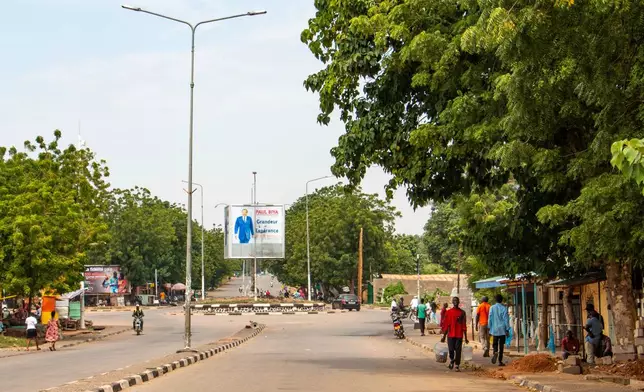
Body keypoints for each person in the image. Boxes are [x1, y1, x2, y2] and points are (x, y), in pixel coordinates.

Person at [441, 297, 468, 372]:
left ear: (459, 302)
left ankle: (457, 365)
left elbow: (464, 325)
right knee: (451, 349)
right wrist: (444, 336)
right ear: (452, 302)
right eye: (454, 300)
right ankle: (452, 360)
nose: (455, 302)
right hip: (450, 335)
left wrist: (465, 337)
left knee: (458, 350)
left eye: (456, 300)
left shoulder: (462, 312)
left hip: (459, 335)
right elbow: (446, 325)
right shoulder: (448, 312)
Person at [488, 294, 510, 366]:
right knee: (501, 345)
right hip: (502, 329)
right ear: (502, 300)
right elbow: (506, 319)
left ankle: (495, 352)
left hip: (494, 329)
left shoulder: (492, 308)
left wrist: (489, 327)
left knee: (495, 343)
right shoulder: (504, 308)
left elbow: (490, 318)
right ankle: (500, 361)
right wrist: (507, 329)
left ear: (495, 300)